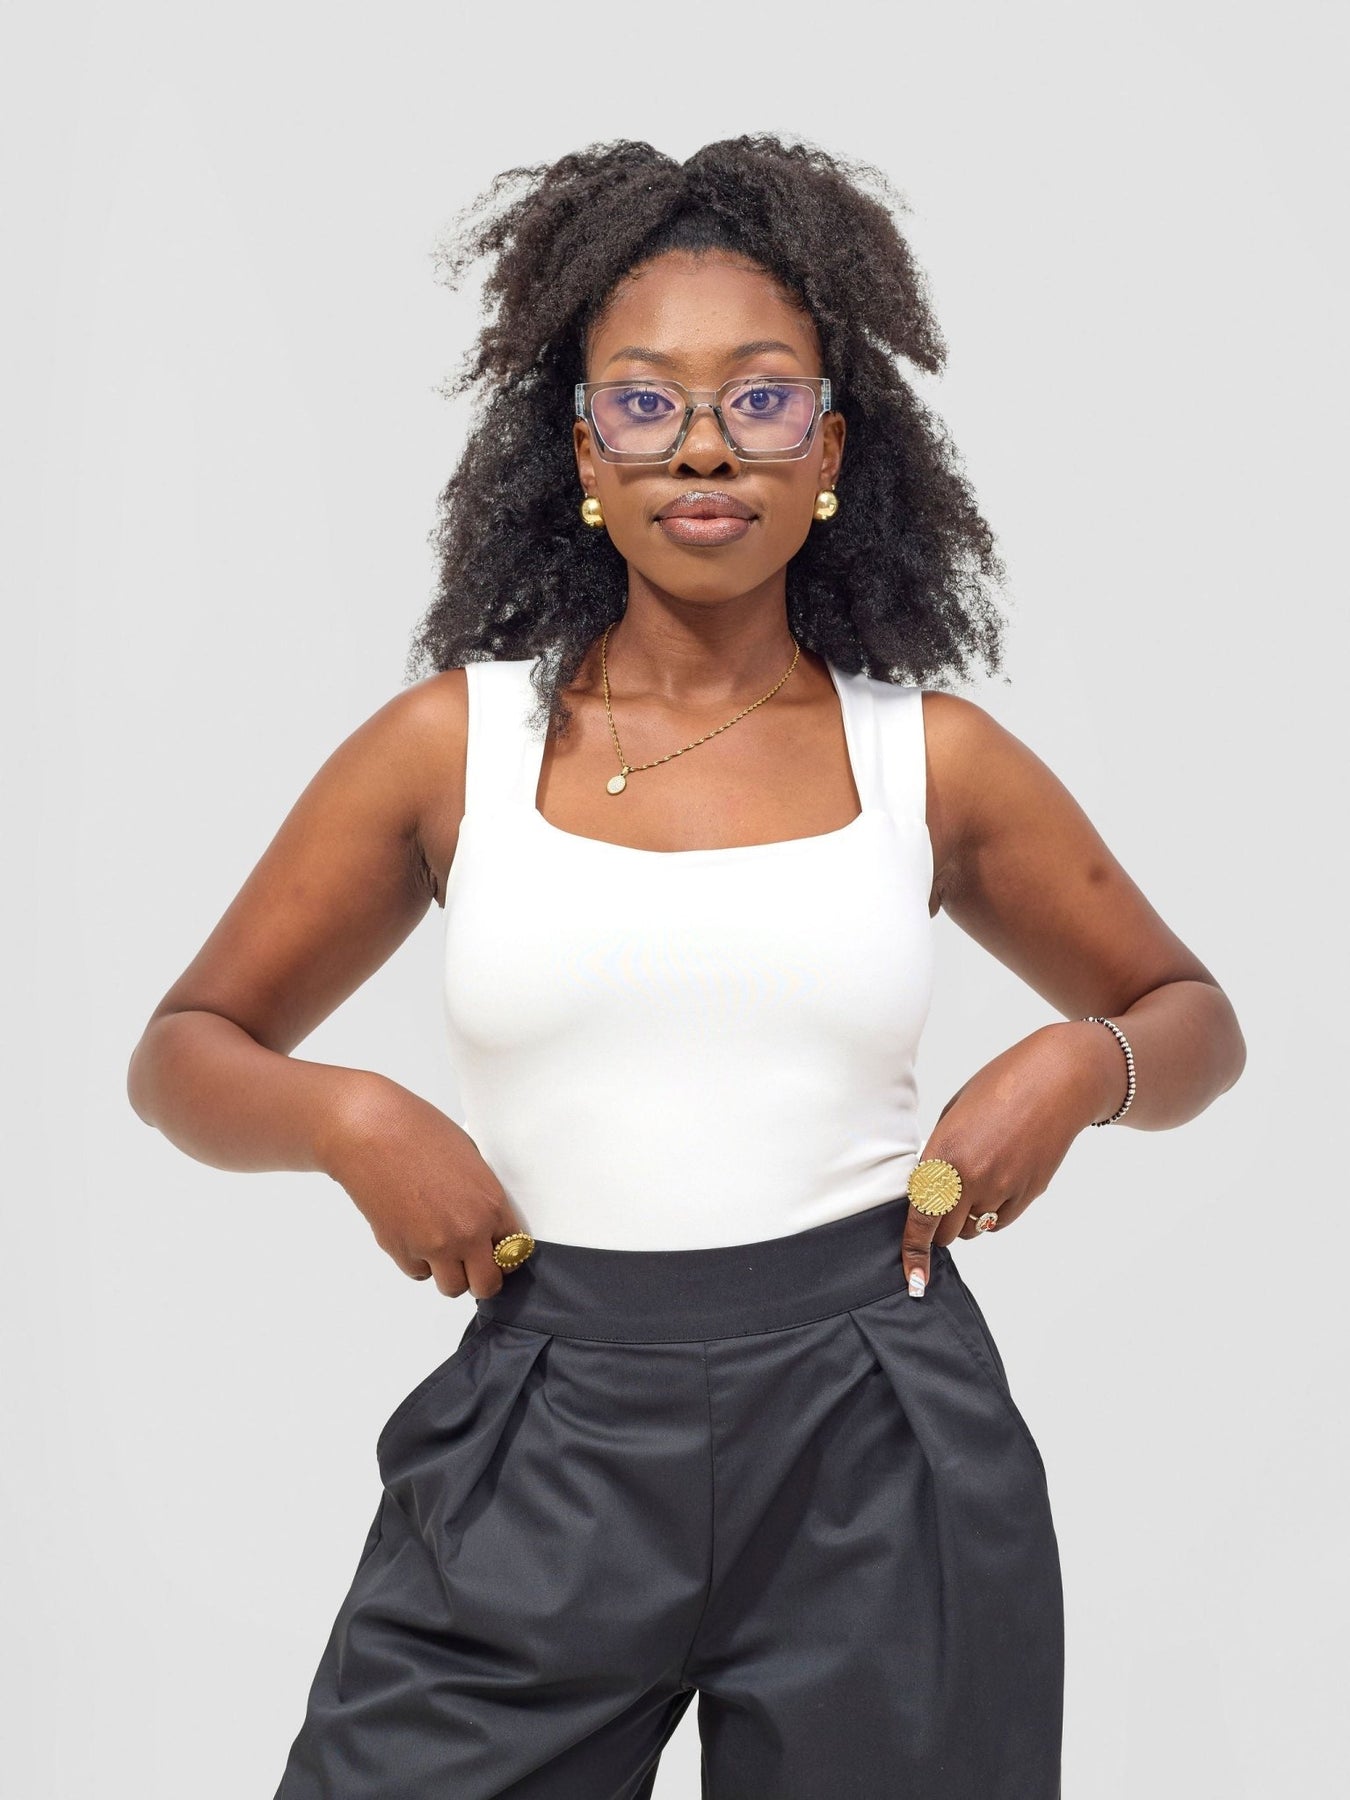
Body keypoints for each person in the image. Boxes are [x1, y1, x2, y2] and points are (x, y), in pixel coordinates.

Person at [126, 135, 1247, 1800]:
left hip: (879, 1433)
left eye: (760, 398)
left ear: (829, 448)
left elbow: (1191, 1017)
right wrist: (348, 1118)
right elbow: (184, 1051)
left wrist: (1084, 1066)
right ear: (582, 449)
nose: (703, 443)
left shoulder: (932, 760)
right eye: (645, 401)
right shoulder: (449, 747)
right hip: (543, 1419)